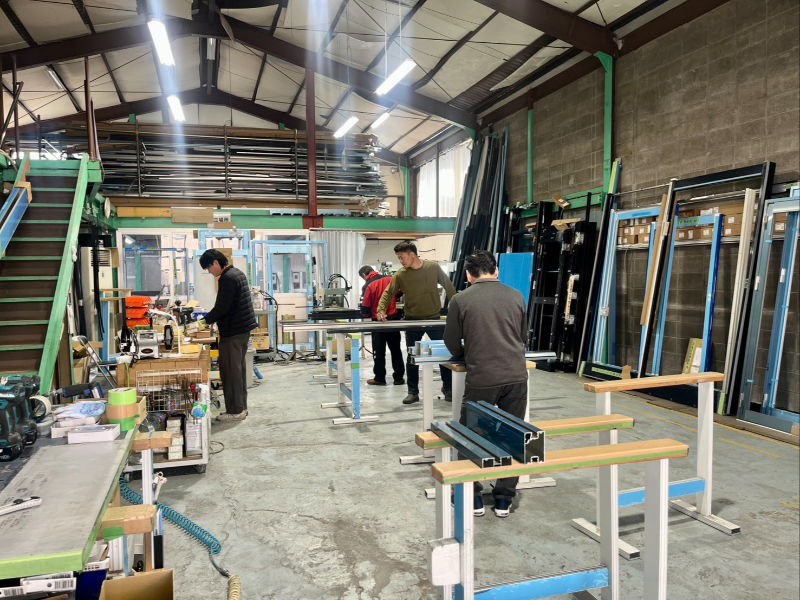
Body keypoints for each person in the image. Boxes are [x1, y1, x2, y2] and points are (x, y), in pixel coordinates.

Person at [443, 250, 528, 518]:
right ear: (496, 271)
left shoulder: (460, 299)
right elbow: (523, 336)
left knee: (471, 434)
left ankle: (472, 496)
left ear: (469, 275)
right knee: (514, 434)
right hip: (516, 375)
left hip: (483, 377)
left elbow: (451, 341)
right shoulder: (517, 296)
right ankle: (504, 498)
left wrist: (464, 354)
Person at [377, 241, 456, 405]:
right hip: (413, 320)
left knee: (443, 355)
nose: (401, 261)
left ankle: (448, 388)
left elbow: (448, 287)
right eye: (399, 258)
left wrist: (457, 309)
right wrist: (381, 310)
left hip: (434, 319)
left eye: (402, 257)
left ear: (412, 255)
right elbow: (388, 292)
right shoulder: (401, 275)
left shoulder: (432, 268)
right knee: (413, 356)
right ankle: (413, 392)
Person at [199, 249, 257, 422]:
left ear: (216, 263)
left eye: (209, 268)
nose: (210, 272)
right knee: (238, 371)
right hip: (242, 331)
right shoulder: (237, 273)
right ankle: (241, 407)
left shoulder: (227, 278)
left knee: (230, 372)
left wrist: (202, 323)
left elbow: (221, 308)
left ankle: (235, 410)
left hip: (233, 333)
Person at [358, 265, 404, 386]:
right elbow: (400, 292)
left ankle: (380, 378)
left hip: (378, 321)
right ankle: (399, 378)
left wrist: (366, 314)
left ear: (364, 275)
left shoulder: (368, 286)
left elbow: (365, 309)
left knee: (379, 351)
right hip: (393, 320)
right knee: (396, 350)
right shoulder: (390, 279)